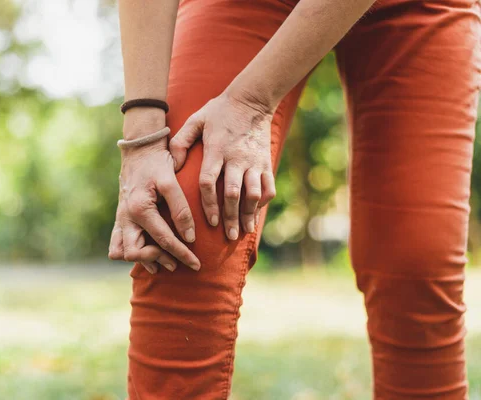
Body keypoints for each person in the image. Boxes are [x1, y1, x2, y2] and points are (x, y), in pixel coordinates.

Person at [108, 0, 481, 397]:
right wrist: (142, 138)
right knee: (186, 216)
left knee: (415, 260)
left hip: (417, 7)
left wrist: (249, 100)